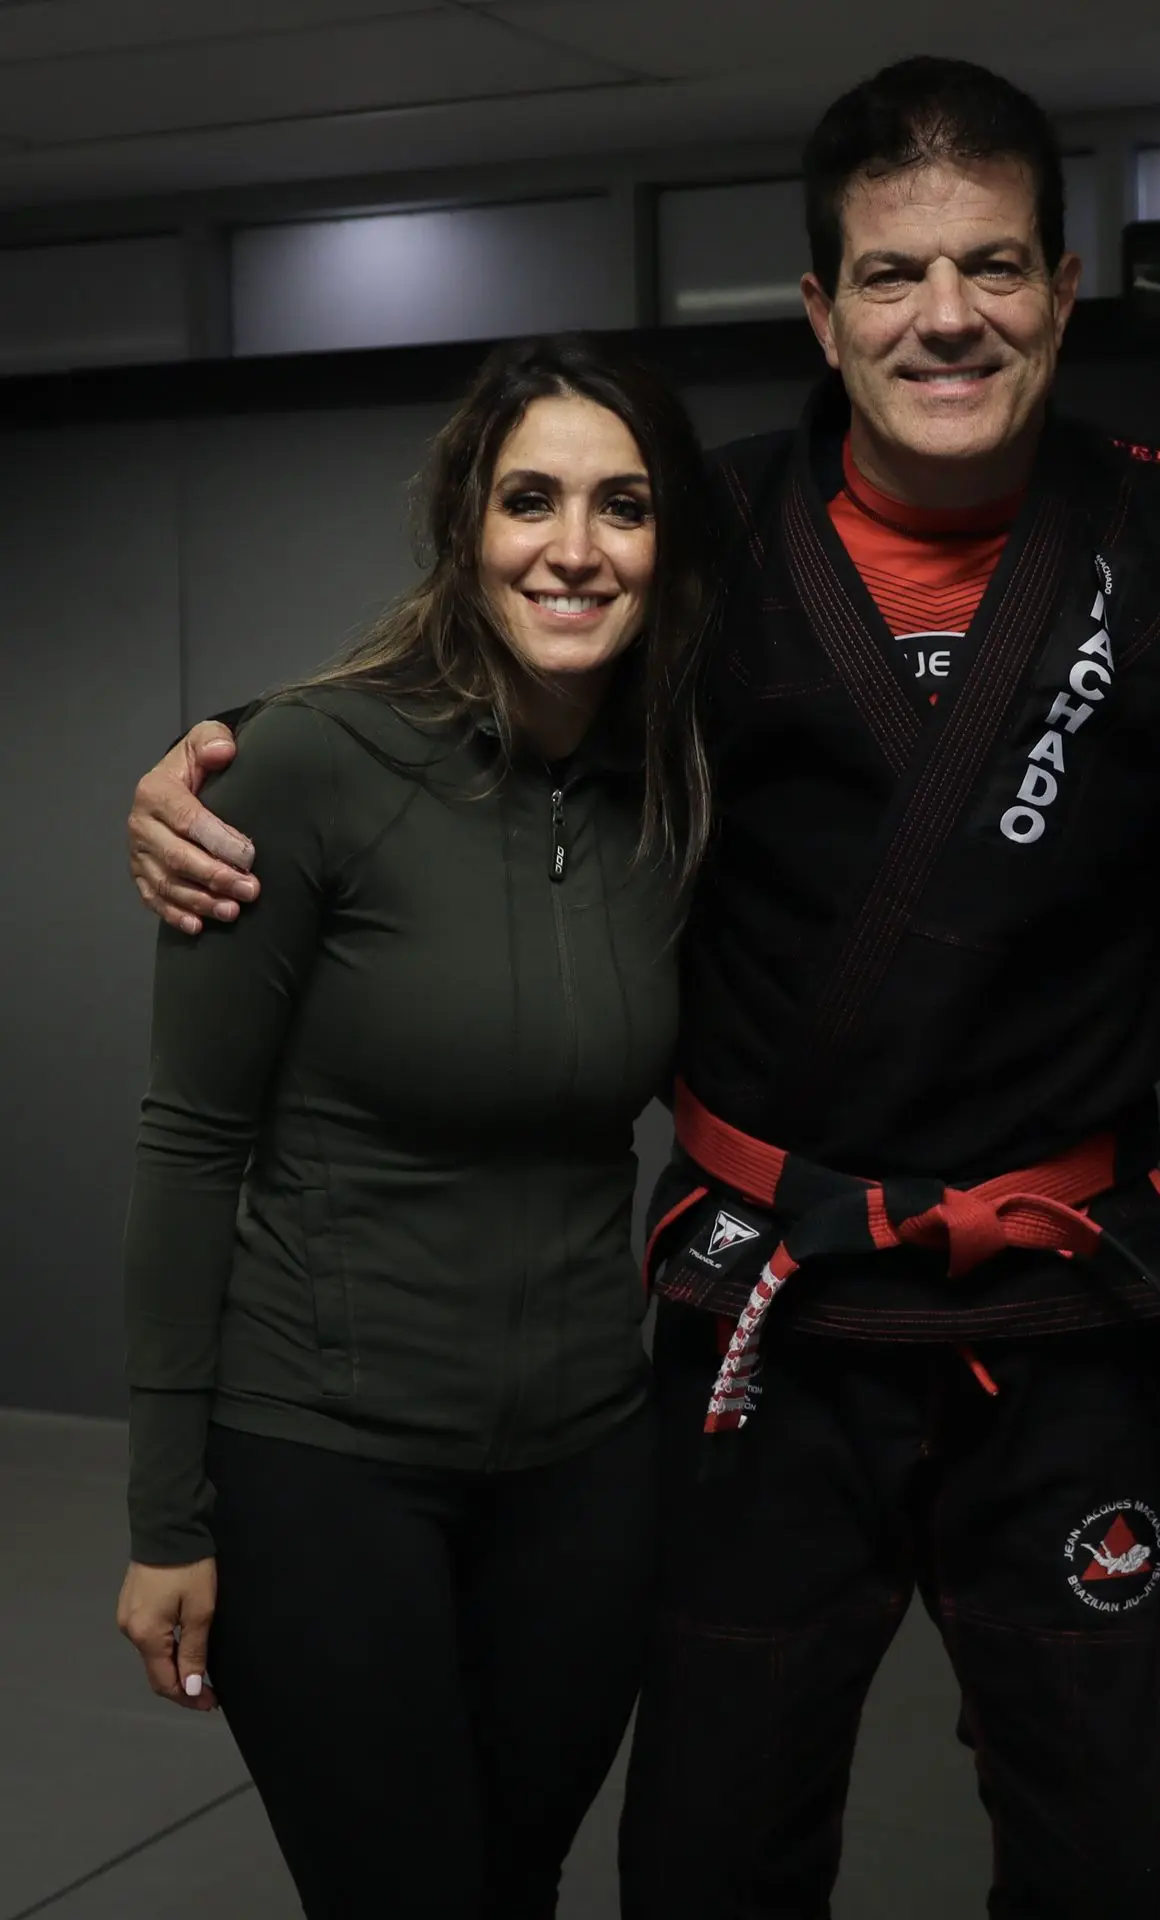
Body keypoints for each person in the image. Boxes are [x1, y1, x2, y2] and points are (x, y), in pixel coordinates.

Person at [121, 61, 1160, 1920]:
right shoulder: (706, 535)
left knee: (1107, 1857)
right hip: (773, 1294)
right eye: (894, 276)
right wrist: (236, 743)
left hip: (1067, 1313)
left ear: (1064, 292)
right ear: (820, 312)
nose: (947, 318)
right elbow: (491, 670)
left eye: (994, 268)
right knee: (711, 1850)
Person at [115, 335, 715, 1919]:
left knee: (513, 1887)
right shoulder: (300, 770)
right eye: (531, 500)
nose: (574, 548)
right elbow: (189, 1146)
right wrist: (166, 1516)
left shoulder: (680, 790)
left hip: (589, 1466)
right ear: (466, 528)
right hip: (326, 1465)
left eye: (623, 506)